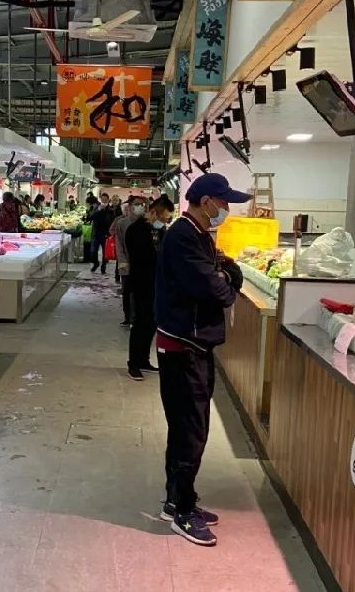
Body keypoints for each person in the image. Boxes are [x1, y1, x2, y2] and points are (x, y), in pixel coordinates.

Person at [154, 173, 250, 546]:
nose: (226, 209)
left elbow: (223, 275)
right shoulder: (183, 236)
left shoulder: (197, 234)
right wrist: (226, 278)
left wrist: (225, 274)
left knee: (187, 428)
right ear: (206, 201)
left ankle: (178, 499)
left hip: (192, 345)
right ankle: (182, 511)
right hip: (183, 347)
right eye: (223, 202)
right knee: (190, 432)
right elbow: (219, 291)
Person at [126, 196, 174, 380]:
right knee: (140, 323)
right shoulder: (136, 230)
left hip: (157, 284)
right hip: (141, 283)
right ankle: (133, 363)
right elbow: (140, 258)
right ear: (153, 213)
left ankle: (144, 359)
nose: (164, 222)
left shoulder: (160, 231)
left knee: (152, 322)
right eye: (163, 218)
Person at [111, 196, 144, 326]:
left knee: (140, 291)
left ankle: (137, 317)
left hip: (142, 263)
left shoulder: (146, 222)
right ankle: (128, 317)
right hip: (126, 261)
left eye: (142, 204)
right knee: (127, 291)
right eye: (137, 204)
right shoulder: (122, 223)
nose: (140, 206)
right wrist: (122, 261)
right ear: (129, 207)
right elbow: (119, 243)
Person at [88, 193, 115, 274]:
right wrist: (98, 210)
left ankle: (104, 266)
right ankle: (96, 263)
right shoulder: (96, 208)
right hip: (96, 233)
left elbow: (112, 222)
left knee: (105, 253)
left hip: (106, 234)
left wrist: (111, 233)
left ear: (108, 200)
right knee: (93, 251)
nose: (104, 201)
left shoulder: (111, 210)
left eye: (105, 200)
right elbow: (91, 217)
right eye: (102, 200)